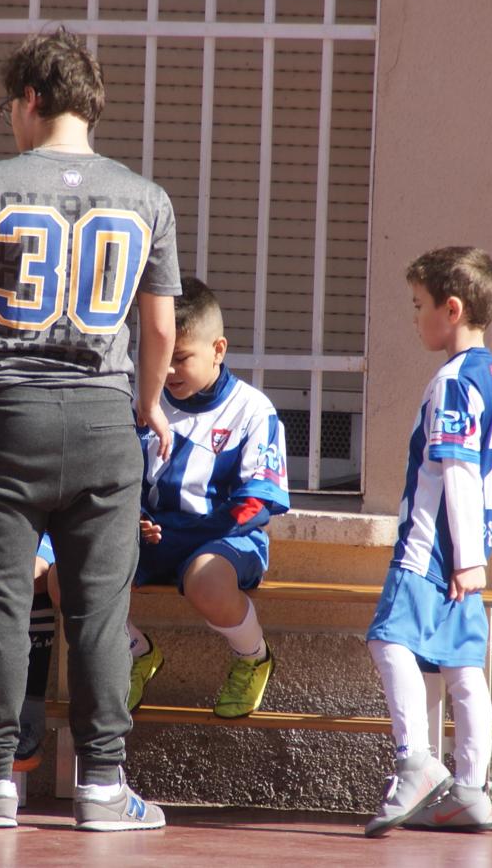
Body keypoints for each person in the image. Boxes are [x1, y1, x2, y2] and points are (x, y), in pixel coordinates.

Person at [0, 28, 179, 831]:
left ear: (31, 99)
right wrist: (148, 403)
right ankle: (103, 787)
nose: (10, 121)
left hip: (5, 416)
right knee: (98, 612)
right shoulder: (147, 198)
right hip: (103, 419)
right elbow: (160, 328)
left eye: (10, 107)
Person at [363, 247, 492, 837]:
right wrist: (476, 554)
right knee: (460, 664)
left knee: (387, 639)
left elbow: (458, 470)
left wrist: (466, 557)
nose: (413, 316)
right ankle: (471, 789)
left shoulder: (453, 382)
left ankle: (416, 762)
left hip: (431, 546)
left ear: (452, 310)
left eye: (418, 304)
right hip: (466, 549)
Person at [126, 277, 290, 718]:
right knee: (67, 578)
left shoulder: (253, 409)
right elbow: (118, 479)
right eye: (160, 357)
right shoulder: (141, 402)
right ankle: (135, 652)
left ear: (218, 350)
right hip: (152, 538)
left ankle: (253, 657)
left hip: (225, 541)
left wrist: (189, 532)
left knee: (207, 581)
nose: (168, 371)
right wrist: (132, 517)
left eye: (180, 358)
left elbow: (258, 502)